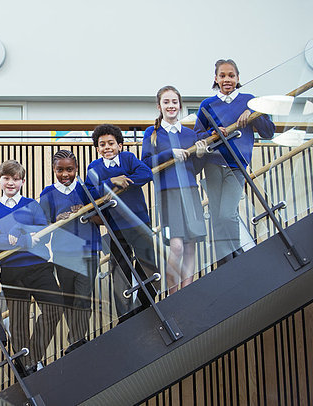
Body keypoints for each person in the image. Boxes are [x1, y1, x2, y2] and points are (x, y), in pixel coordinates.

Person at [0, 160, 64, 374]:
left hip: (39, 267)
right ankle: (25, 368)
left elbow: (42, 232)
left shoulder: (32, 205)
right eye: (7, 178)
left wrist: (18, 235)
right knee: (18, 322)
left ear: (23, 181)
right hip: (11, 272)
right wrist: (18, 239)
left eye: (16, 179)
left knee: (55, 307)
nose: (11, 183)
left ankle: (33, 357)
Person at [194, 59, 275, 265]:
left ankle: (238, 260)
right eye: (222, 76)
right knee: (217, 217)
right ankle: (226, 264)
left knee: (228, 214)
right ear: (216, 79)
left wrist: (253, 114)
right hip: (212, 164)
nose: (227, 79)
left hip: (237, 165)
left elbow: (268, 131)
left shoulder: (249, 100)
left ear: (238, 78)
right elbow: (197, 135)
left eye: (231, 75)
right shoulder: (206, 105)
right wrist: (212, 133)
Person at [85, 124, 159, 322]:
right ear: (97, 148)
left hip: (140, 222)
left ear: (119, 145)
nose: (107, 147)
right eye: (102, 144)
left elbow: (146, 174)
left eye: (111, 143)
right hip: (115, 227)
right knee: (119, 271)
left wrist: (125, 179)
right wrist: (111, 182)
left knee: (148, 265)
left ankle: (147, 305)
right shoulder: (94, 168)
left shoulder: (128, 158)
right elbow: (90, 194)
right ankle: (125, 315)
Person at [142, 86, 208, 295]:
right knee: (177, 246)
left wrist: (200, 156)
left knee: (190, 246)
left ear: (179, 105)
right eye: (166, 102)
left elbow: (195, 170)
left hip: (190, 191)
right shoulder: (152, 134)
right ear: (159, 106)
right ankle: (173, 295)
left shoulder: (189, 134)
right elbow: (146, 164)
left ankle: (186, 294)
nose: (171, 106)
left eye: (174, 102)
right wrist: (169, 154)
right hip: (168, 194)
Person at [39, 150, 101, 352]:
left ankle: (76, 341)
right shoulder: (48, 194)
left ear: (76, 169)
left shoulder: (86, 189)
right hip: (62, 254)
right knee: (68, 299)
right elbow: (43, 229)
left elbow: (103, 218)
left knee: (84, 298)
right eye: (60, 170)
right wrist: (57, 221)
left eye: (70, 169)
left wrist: (84, 211)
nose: (65, 174)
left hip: (88, 252)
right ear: (54, 170)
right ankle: (75, 339)